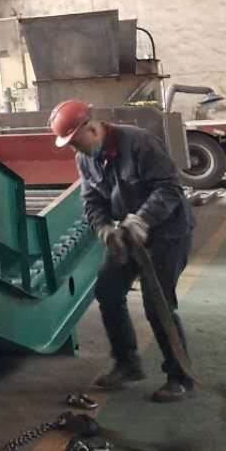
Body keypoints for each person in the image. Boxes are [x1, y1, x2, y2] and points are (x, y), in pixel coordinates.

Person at [50, 99, 196, 403]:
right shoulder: (85, 158)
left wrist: (143, 219)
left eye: (76, 142)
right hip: (128, 234)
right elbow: (91, 199)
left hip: (168, 232)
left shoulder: (140, 143)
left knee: (157, 302)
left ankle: (179, 377)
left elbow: (170, 188)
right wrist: (104, 228)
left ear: (92, 129)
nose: (75, 149)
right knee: (108, 290)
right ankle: (127, 364)